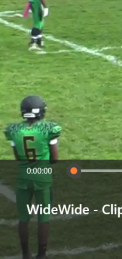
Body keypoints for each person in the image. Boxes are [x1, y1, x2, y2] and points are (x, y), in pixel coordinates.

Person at [5, 95, 61, 259]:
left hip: (23, 177)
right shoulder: (49, 129)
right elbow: (55, 159)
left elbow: (17, 157)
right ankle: (41, 255)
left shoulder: (14, 130)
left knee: (23, 218)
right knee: (43, 218)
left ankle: (26, 254)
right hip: (42, 177)